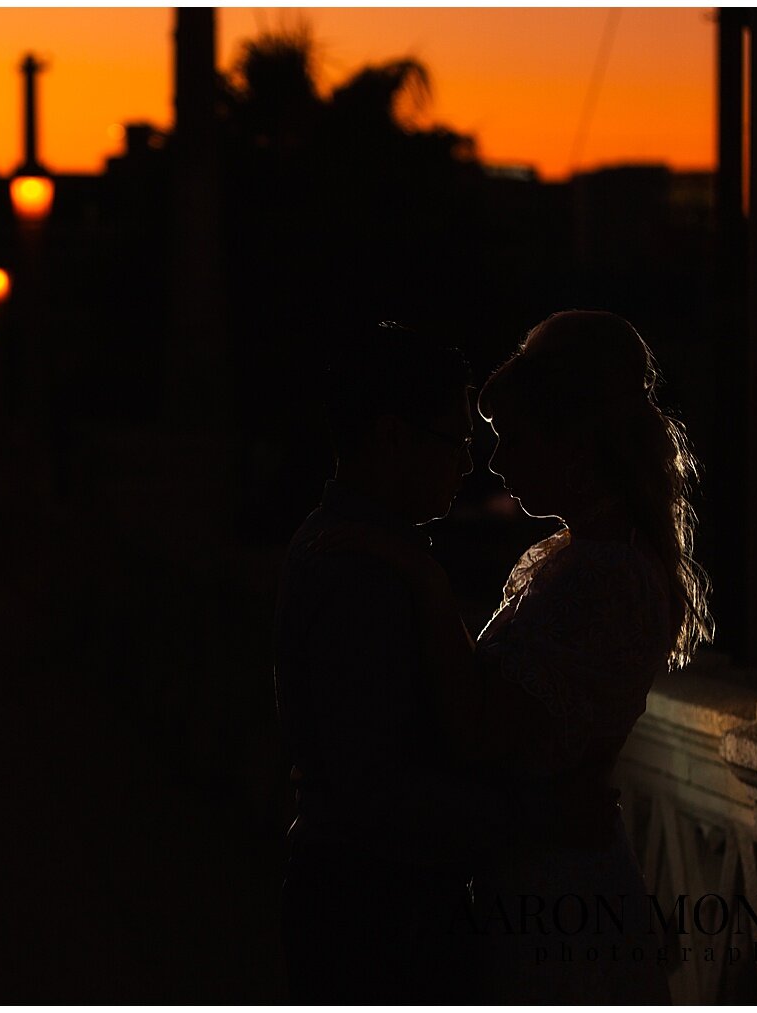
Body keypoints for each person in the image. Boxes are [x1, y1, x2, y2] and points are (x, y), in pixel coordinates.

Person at [327, 310, 712, 1003]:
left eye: (512, 436)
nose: (494, 461)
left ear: (573, 441)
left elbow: (477, 728)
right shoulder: (577, 559)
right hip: (542, 876)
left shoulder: (603, 576)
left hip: (557, 895)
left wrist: (422, 580)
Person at [272, 320, 484, 1003]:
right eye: (455, 441)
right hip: (378, 911)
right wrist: (521, 817)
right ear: (392, 437)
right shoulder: (361, 570)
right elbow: (374, 782)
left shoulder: (350, 543)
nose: (467, 464)